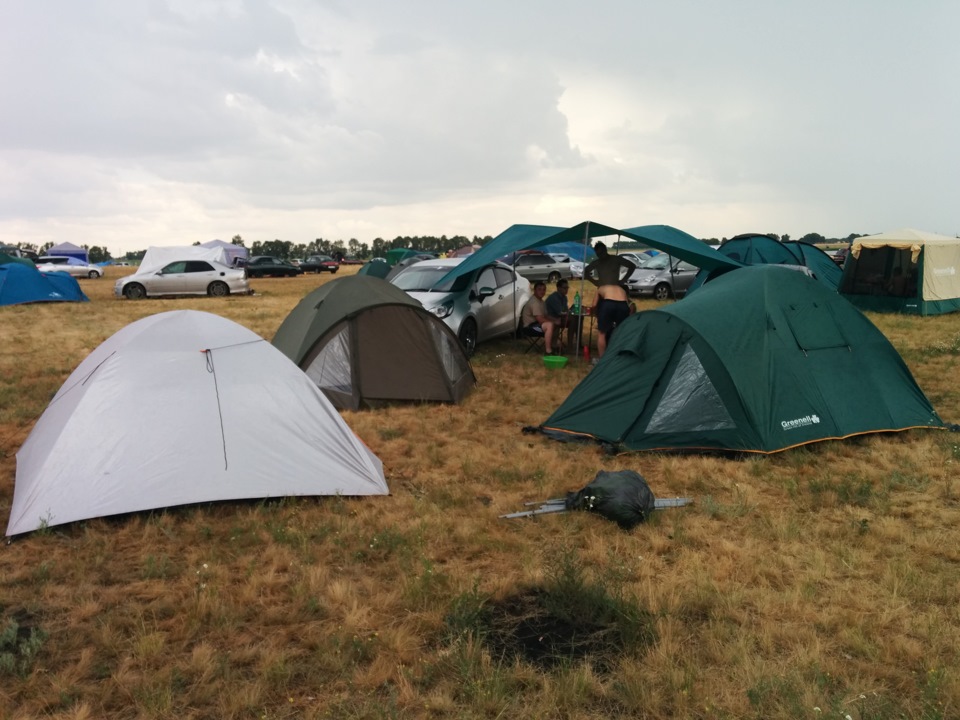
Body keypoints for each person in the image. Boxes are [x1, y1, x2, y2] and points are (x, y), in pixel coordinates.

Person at [584, 242, 636, 358]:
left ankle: (618, 352)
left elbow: (632, 266)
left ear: (605, 250)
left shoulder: (616, 259)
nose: (600, 255)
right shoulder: (597, 263)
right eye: (598, 253)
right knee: (602, 328)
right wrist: (595, 282)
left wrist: (623, 280)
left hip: (616, 291)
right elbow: (585, 272)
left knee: (619, 327)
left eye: (602, 252)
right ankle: (606, 351)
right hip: (603, 294)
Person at [521, 281, 561, 354]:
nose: (542, 291)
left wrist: (556, 320)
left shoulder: (541, 301)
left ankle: (554, 346)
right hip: (529, 327)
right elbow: (540, 319)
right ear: (534, 290)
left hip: (536, 324)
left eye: (543, 289)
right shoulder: (534, 302)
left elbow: (546, 315)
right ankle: (548, 351)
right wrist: (553, 322)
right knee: (549, 325)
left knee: (555, 324)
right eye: (539, 289)